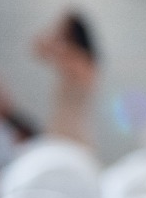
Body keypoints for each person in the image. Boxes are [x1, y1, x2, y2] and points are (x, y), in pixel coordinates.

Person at [33, 11, 98, 147]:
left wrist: (56, 31)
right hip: (62, 127)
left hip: (72, 131)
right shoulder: (85, 59)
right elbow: (38, 48)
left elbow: (39, 47)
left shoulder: (76, 58)